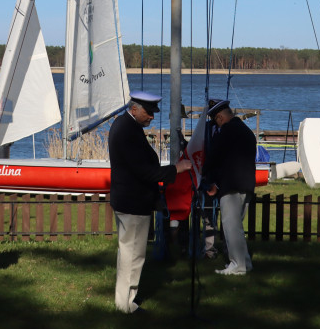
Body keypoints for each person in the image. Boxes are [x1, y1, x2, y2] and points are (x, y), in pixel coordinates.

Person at [109, 90, 192, 313]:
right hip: (133, 203)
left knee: (129, 252)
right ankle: (126, 304)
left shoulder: (126, 126)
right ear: (134, 109)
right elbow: (145, 172)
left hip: (130, 200)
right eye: (148, 112)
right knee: (133, 255)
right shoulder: (128, 131)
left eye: (154, 112)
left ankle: (124, 300)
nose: (152, 117)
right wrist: (177, 168)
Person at [204, 99, 256, 275]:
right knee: (237, 227)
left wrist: (205, 174)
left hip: (231, 185)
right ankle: (244, 262)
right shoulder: (245, 130)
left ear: (219, 117)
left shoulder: (226, 131)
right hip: (246, 184)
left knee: (231, 227)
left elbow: (215, 157)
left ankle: (237, 265)